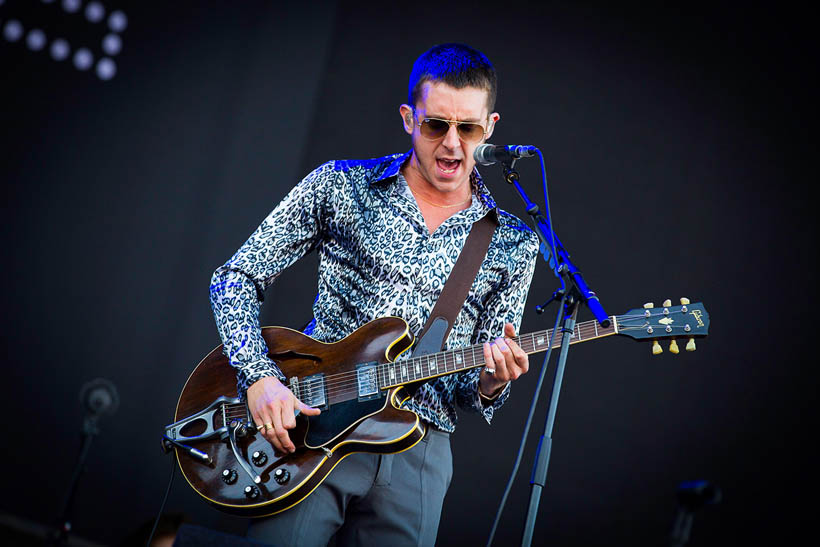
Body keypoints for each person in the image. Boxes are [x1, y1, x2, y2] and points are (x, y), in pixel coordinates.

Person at [209, 43, 540, 546]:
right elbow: (234, 277)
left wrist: (494, 381)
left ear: (490, 128)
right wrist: (258, 378)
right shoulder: (342, 186)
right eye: (436, 125)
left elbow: (473, 391)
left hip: (419, 451)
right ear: (409, 118)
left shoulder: (514, 241)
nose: (452, 144)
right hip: (316, 423)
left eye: (467, 129)